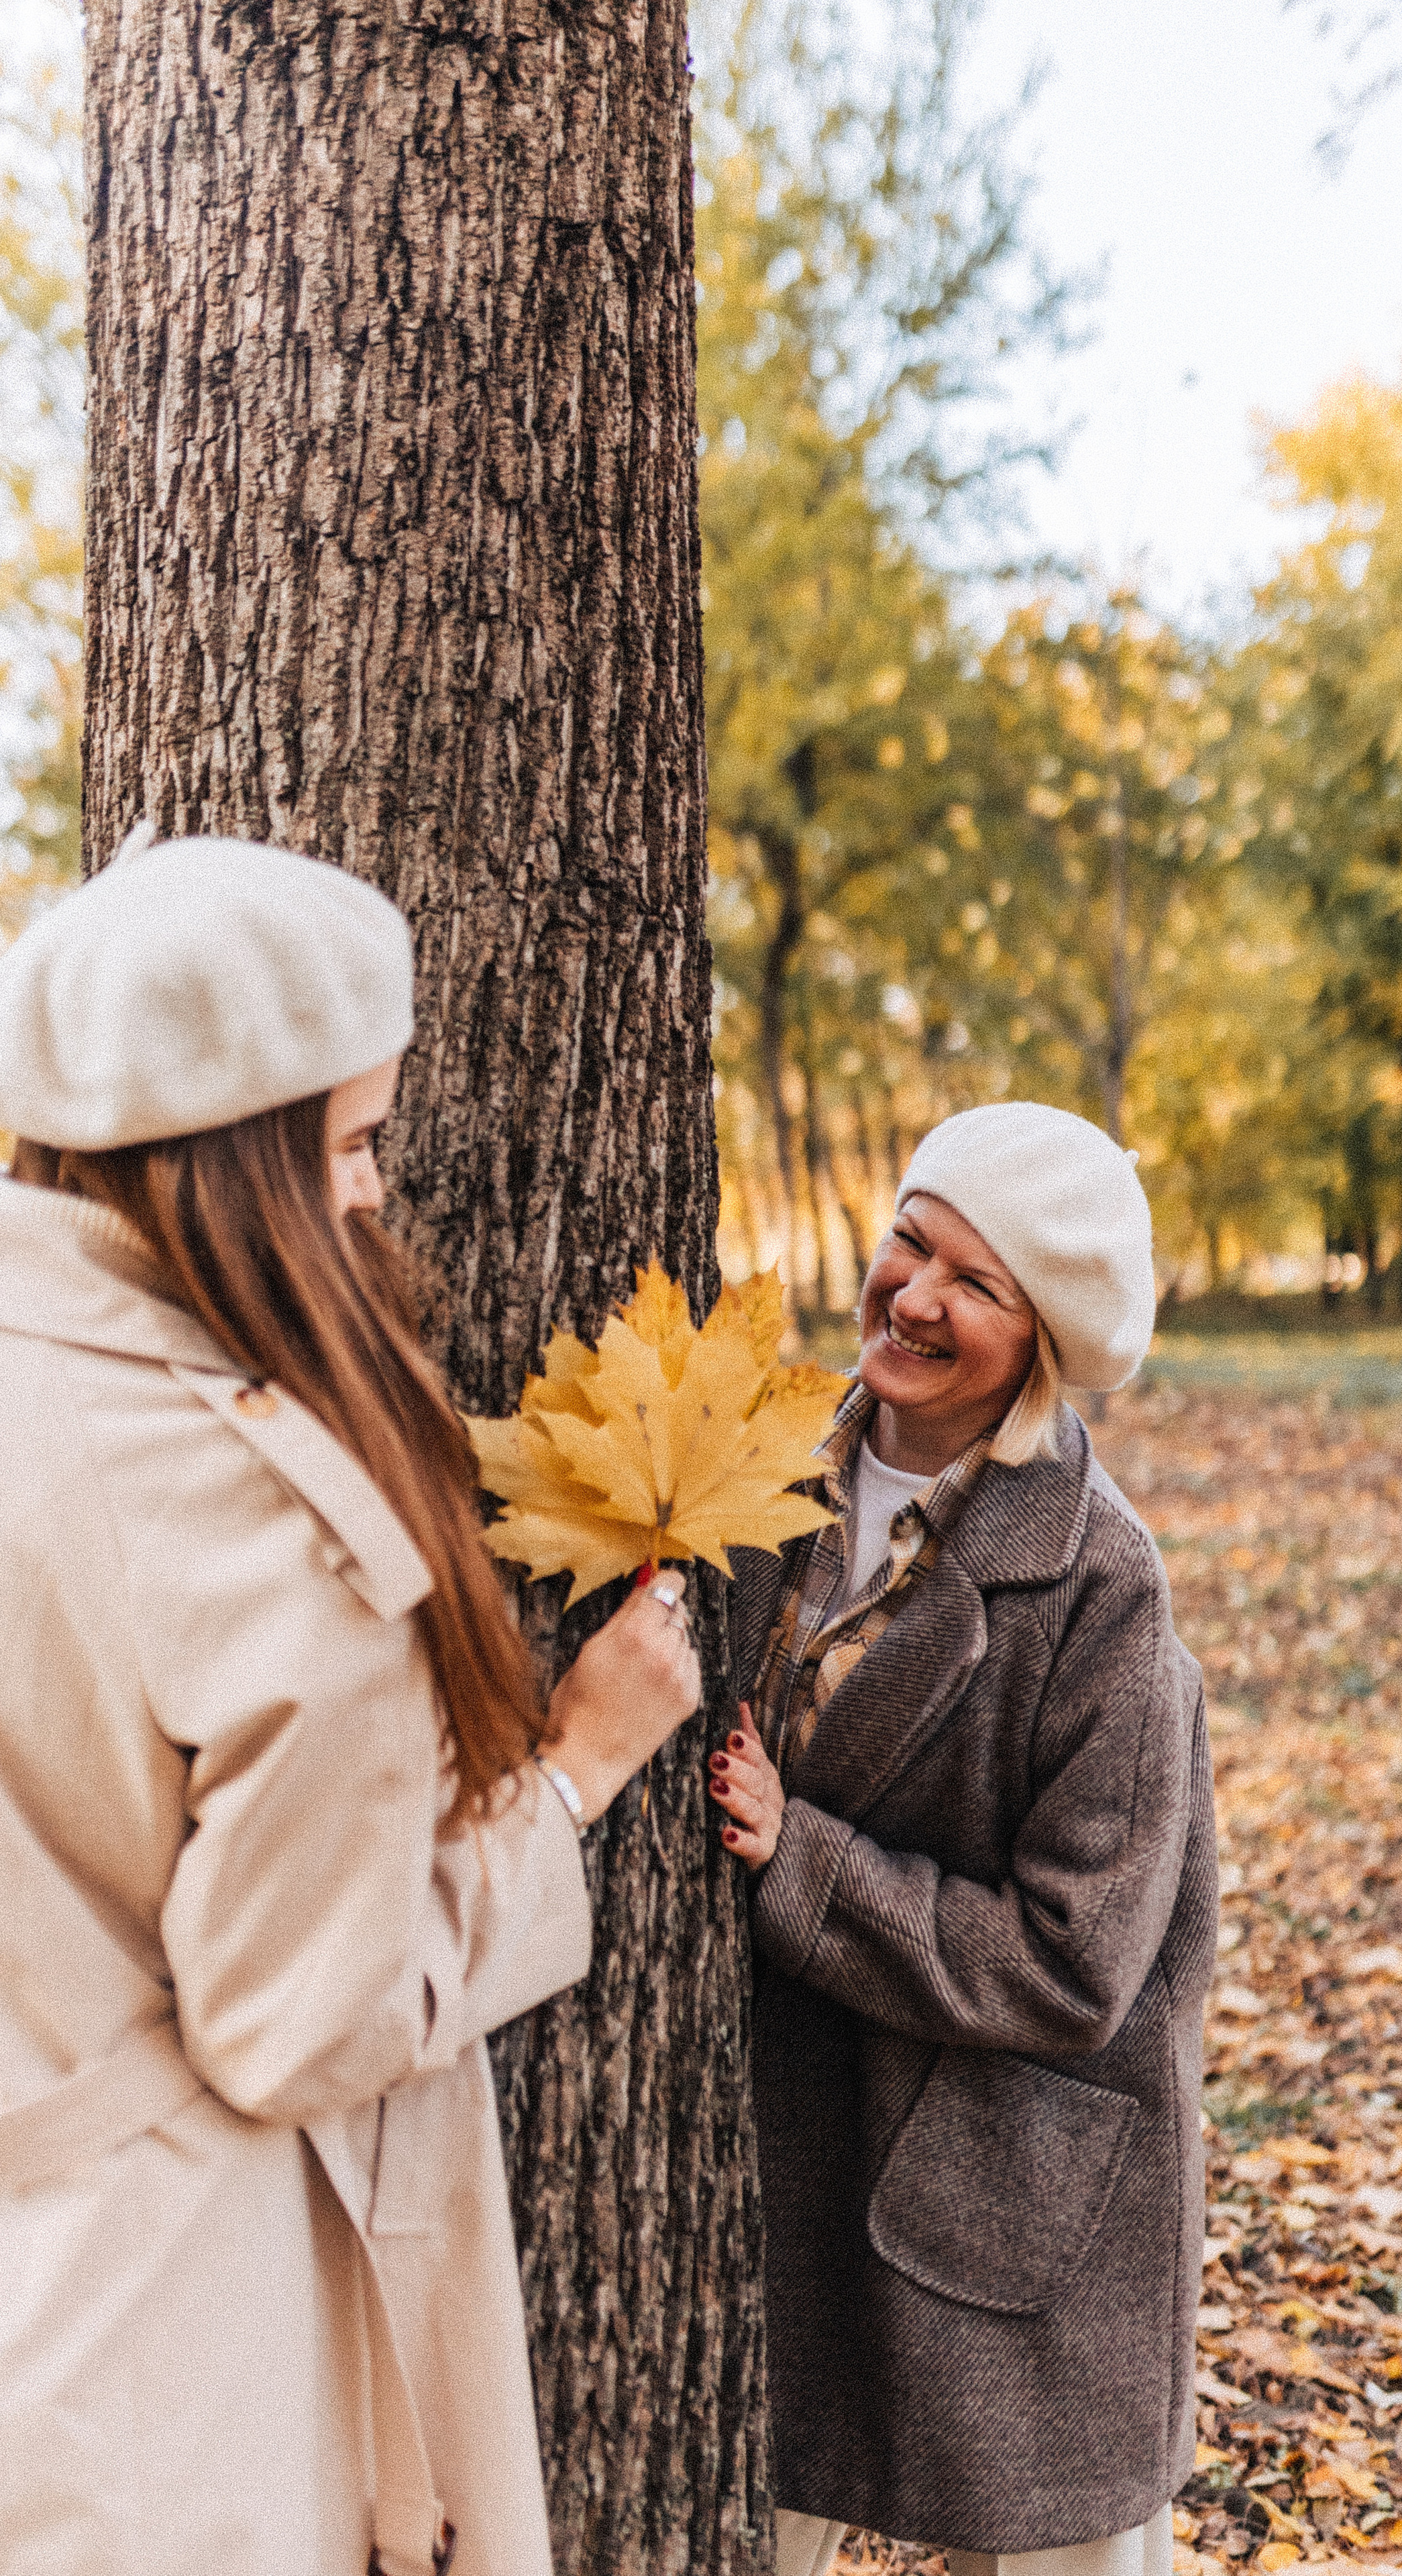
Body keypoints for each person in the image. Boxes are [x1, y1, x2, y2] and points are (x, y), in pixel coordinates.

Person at [0, 828, 703, 2576]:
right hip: (159, 2340)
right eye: (358, 1143)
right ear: (240, 1174)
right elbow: (291, 2024)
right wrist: (572, 1780)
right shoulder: (268, 1522)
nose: (382, 1193)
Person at [708, 1102, 1218, 2576]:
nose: (913, 1297)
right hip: (789, 2129)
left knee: (1064, 2539)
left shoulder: (1102, 1590)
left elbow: (1078, 1959)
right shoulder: (751, 1480)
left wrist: (794, 1861)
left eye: (975, 1284)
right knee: (751, 2510)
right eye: (908, 1243)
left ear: (1040, 1336)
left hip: (1021, 2157)